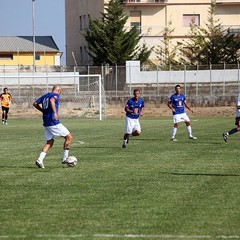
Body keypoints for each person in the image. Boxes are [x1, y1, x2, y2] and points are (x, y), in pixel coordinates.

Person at [33, 85, 73, 169]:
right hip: (53, 122)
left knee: (50, 142)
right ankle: (64, 159)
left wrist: (42, 110)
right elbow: (52, 100)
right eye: (60, 92)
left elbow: (35, 103)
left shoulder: (45, 95)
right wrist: (55, 112)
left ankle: (40, 160)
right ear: (58, 90)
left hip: (46, 122)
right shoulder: (55, 95)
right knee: (69, 137)